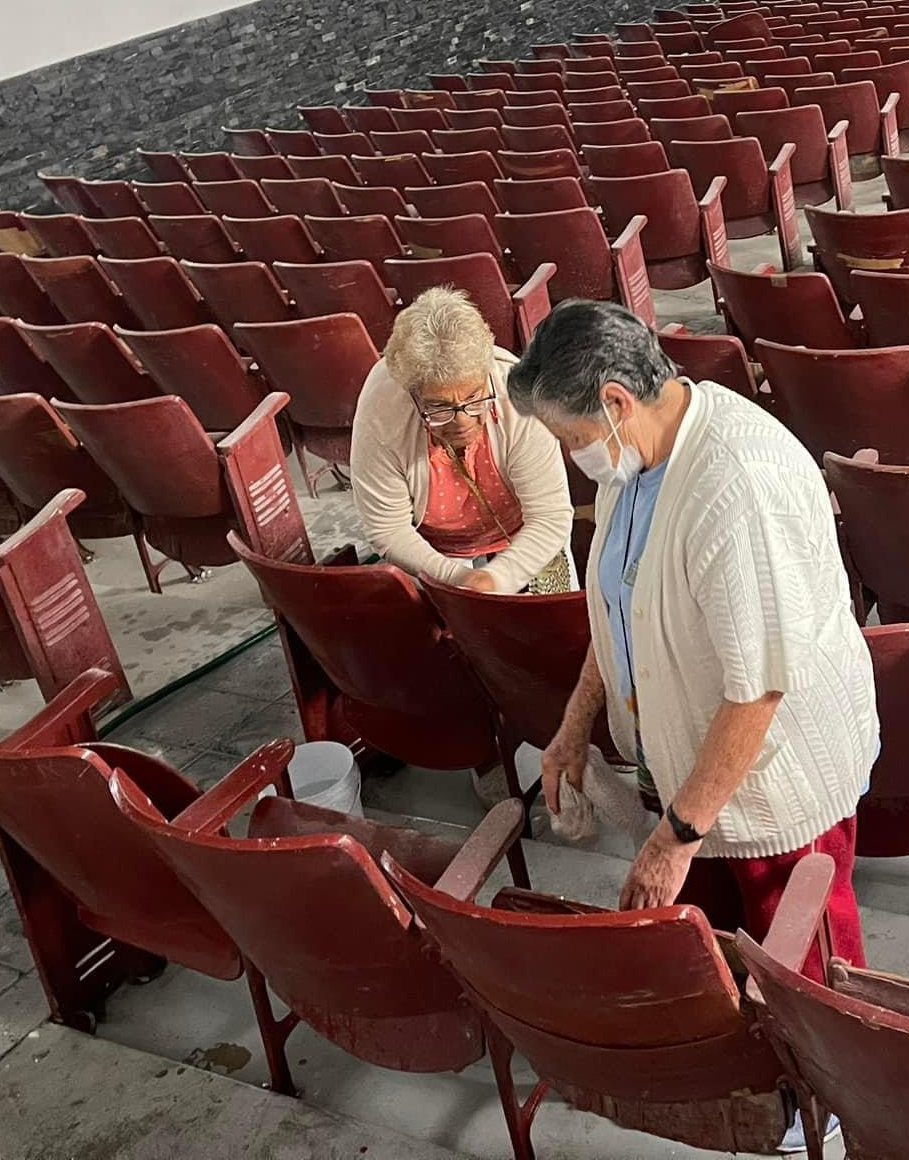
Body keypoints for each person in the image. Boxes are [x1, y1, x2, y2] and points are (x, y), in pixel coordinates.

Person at [509, 299, 878, 967]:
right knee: (721, 963)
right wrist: (573, 724)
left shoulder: (736, 486)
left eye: (570, 436)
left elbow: (758, 691)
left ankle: (816, 1072)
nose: (571, 453)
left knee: (804, 975)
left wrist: (674, 838)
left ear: (617, 403)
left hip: (770, 785)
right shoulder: (637, 460)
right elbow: (624, 609)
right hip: (693, 782)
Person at [351, 288, 572, 594]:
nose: (463, 422)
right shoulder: (383, 407)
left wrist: (496, 579)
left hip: (524, 535)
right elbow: (388, 528)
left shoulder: (515, 395)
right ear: (413, 395)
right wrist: (459, 580)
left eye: (473, 398)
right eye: (440, 407)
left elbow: (549, 515)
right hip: (432, 549)